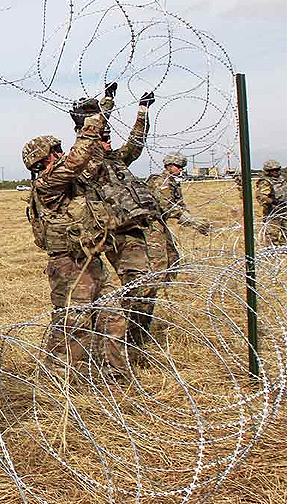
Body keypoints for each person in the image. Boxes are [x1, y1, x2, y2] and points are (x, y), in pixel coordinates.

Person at [21, 85, 128, 378]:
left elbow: (90, 156)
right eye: (55, 151)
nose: (61, 153)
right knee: (74, 324)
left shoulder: (70, 180)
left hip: (90, 257)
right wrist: (89, 121)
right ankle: (61, 379)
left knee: (113, 316)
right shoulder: (48, 184)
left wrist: (103, 109)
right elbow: (78, 157)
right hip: (68, 264)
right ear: (43, 160)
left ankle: (114, 374)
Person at [72, 91, 159, 354]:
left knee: (145, 287)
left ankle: (132, 340)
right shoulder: (88, 164)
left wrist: (142, 111)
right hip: (114, 234)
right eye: (103, 136)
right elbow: (89, 138)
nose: (108, 139)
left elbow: (135, 142)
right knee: (137, 287)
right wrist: (104, 106)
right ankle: (125, 343)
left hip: (136, 230)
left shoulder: (116, 159)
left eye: (109, 136)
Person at [145, 152, 212, 288]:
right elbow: (167, 206)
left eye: (182, 167)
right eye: (178, 166)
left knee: (172, 256)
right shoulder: (160, 181)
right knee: (159, 258)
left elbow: (180, 206)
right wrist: (192, 221)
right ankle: (152, 287)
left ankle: (165, 285)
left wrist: (192, 220)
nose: (181, 169)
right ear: (168, 165)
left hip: (161, 223)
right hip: (151, 223)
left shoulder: (173, 183)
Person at [255, 160, 287, 246]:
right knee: (272, 234)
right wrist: (273, 202)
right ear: (267, 171)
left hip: (284, 209)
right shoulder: (265, 182)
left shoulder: (282, 178)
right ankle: (272, 251)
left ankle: (284, 248)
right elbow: (261, 197)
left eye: (277, 169)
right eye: (273, 170)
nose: (276, 172)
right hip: (273, 211)